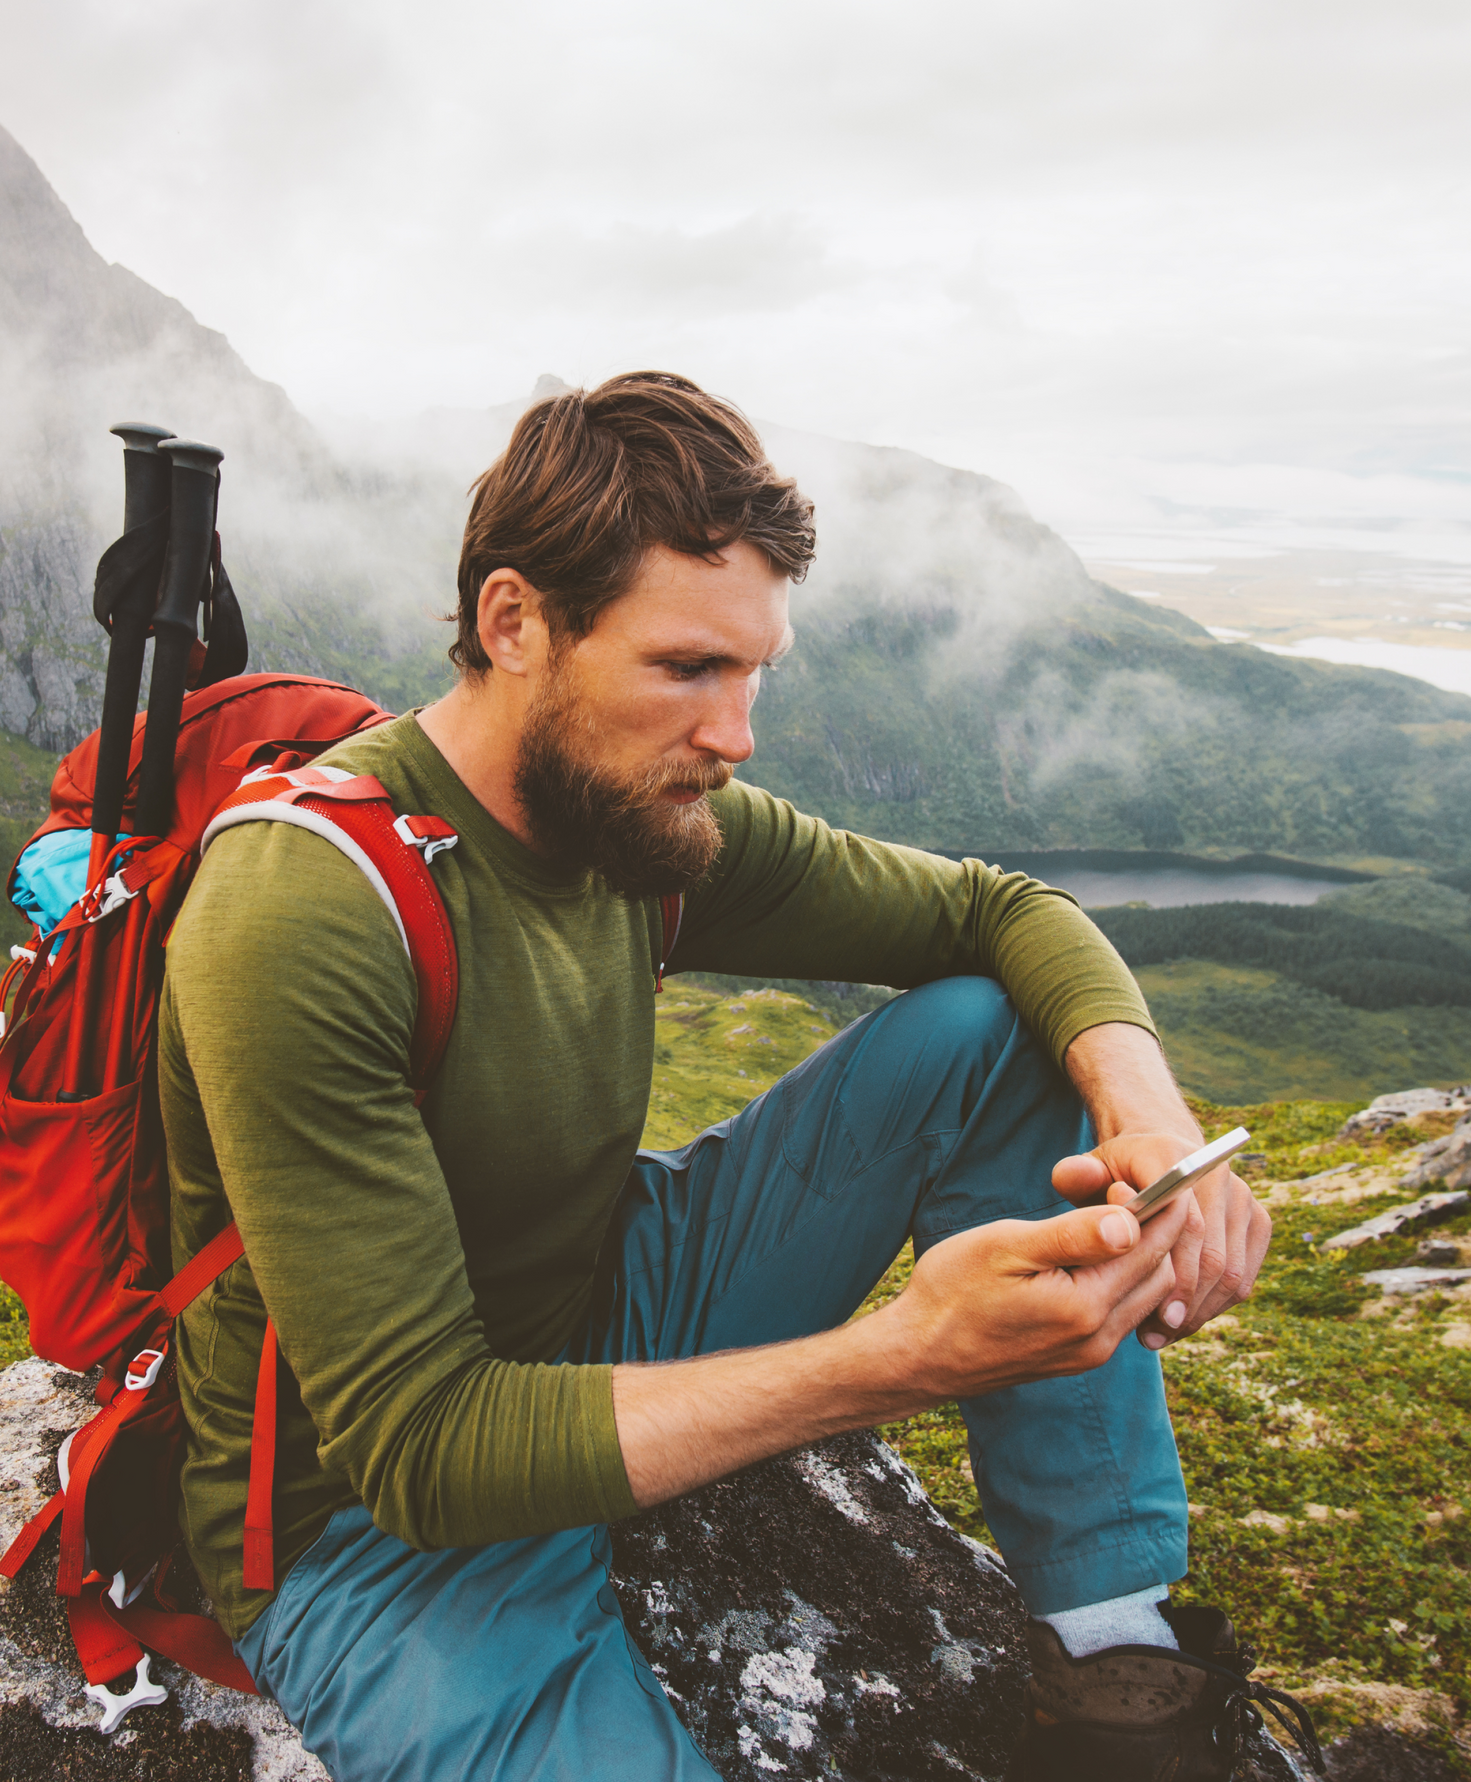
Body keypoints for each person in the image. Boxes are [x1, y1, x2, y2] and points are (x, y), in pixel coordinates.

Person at [160, 371, 1293, 1781]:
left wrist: (1153, 1117)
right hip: (379, 1521)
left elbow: (1006, 913)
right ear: (514, 623)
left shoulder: (629, 811)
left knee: (990, 1030)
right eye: (687, 669)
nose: (736, 732)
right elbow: (423, 1442)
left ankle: (1110, 1647)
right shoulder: (307, 908)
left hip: (607, 1303)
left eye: (755, 671)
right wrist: (902, 1360)